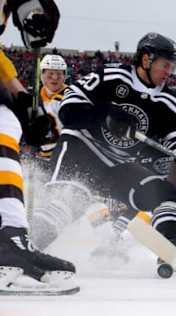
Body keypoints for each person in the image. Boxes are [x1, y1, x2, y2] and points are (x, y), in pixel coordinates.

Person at [29, 32, 176, 274]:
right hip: (81, 150)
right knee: (68, 202)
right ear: (146, 60)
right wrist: (105, 116)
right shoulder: (111, 76)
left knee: (166, 195)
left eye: (173, 66)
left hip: (118, 165)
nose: (170, 72)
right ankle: (21, 254)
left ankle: (171, 252)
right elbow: (68, 110)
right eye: (166, 65)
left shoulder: (169, 102)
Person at [0, 0, 78, 295]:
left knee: (6, 121)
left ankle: (11, 238)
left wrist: (19, 95)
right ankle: (10, 240)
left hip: (50, 158)